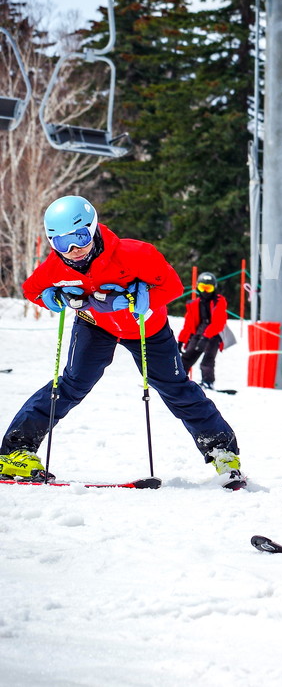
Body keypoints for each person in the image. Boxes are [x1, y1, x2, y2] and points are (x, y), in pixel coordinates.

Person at [0, 196, 244, 488]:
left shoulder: (135, 253)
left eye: (79, 238)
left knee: (176, 388)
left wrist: (143, 298)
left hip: (146, 327)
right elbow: (32, 290)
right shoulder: (57, 266)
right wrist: (50, 297)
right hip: (95, 326)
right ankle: (16, 451)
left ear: (92, 230)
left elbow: (173, 286)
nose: (74, 250)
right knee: (71, 384)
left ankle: (222, 451)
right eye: (62, 244)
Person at [178, 271, 228, 390]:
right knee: (187, 356)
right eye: (202, 287)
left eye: (208, 288)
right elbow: (188, 324)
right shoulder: (194, 304)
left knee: (208, 359)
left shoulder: (219, 302)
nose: (205, 292)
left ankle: (208, 381)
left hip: (214, 334)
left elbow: (218, 322)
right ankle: (176, 378)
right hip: (199, 332)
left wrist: (206, 337)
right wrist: (181, 340)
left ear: (214, 288)